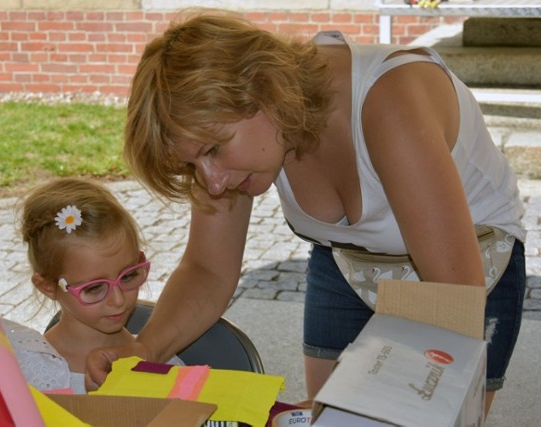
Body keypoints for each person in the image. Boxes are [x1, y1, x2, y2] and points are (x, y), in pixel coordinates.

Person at [85, 9, 526, 415]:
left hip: (475, 266)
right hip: (348, 262)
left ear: (265, 89)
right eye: (192, 165)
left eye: (214, 150)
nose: (213, 181)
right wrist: (145, 352)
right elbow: (207, 269)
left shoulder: (390, 100)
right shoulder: (241, 140)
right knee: (318, 417)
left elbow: (452, 292)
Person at [2, 177, 182, 394]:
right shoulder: (28, 373)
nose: (118, 300)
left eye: (128, 276)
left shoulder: (161, 360)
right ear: (48, 286)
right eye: (94, 288)